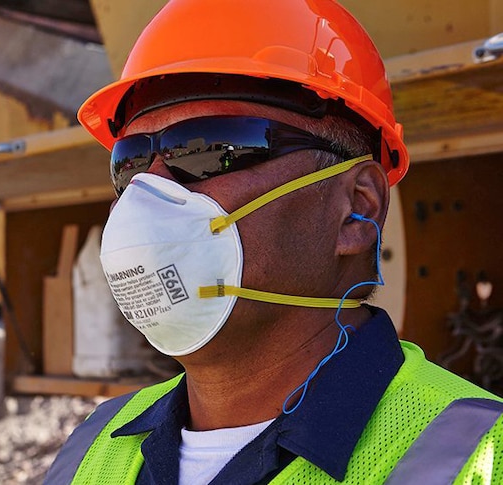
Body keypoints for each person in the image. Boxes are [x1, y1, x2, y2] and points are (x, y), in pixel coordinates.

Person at [45, 0, 503, 483]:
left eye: (211, 151)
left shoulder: (477, 457)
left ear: (356, 208)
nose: (150, 192)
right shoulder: (90, 450)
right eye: (130, 164)